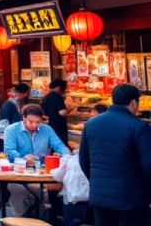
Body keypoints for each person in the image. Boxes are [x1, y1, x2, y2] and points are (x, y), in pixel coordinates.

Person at [79, 84, 151, 226]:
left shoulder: (92, 124)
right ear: (134, 102)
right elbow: (149, 165)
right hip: (132, 199)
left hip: (100, 197)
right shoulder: (139, 126)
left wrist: (97, 182)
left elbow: (83, 160)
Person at [4, 104, 70, 216]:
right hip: (19, 171)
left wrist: (67, 157)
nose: (34, 125)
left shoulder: (47, 129)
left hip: (42, 171)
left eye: (38, 122)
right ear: (23, 118)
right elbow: (9, 151)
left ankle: (49, 215)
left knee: (58, 190)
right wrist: (23, 157)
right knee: (23, 192)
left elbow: (60, 146)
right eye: (31, 121)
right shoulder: (11, 130)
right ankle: (29, 218)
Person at [52, 153, 92, 226]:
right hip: (92, 200)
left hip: (73, 202)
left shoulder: (70, 160)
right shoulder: (95, 160)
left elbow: (57, 176)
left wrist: (52, 171)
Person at [41, 78, 70, 145]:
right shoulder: (58, 97)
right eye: (64, 88)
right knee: (60, 146)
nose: (64, 90)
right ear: (58, 87)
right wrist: (70, 109)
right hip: (59, 127)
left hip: (49, 126)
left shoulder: (46, 97)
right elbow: (62, 112)